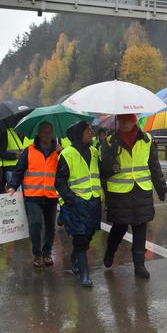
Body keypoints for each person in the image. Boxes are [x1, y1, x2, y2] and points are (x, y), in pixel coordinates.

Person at [100, 114, 167, 278]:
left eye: (127, 121)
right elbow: (104, 170)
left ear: (134, 122)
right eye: (121, 121)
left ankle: (139, 265)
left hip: (141, 189)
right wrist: (111, 159)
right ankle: (110, 251)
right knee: (120, 226)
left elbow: (154, 165)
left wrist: (161, 187)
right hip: (119, 191)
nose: (123, 124)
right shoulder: (110, 141)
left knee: (140, 225)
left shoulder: (147, 140)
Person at [6, 122, 60, 268]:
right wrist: (12, 186)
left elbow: (64, 172)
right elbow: (19, 170)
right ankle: (37, 254)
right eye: (44, 132)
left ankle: (47, 252)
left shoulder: (59, 151)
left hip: (51, 194)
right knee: (35, 224)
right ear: (39, 134)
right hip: (33, 195)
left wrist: (61, 154)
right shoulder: (29, 151)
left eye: (50, 132)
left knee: (50, 226)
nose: (47, 135)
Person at [55, 121, 102, 288]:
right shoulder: (67, 154)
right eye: (88, 130)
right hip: (76, 204)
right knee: (80, 237)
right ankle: (84, 274)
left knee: (88, 236)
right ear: (79, 133)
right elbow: (59, 182)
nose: (91, 132)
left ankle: (75, 256)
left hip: (93, 202)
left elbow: (100, 174)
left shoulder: (94, 151)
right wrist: (71, 199)